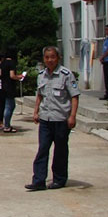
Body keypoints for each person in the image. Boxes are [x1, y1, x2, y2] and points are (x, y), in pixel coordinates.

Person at [26, 46, 80, 191]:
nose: (50, 60)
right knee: (42, 149)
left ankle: (59, 179)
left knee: (60, 151)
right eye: (47, 57)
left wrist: (72, 116)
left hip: (61, 119)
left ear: (58, 58)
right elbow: (40, 95)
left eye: (52, 57)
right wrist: (36, 112)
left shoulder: (66, 75)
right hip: (45, 119)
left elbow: (74, 96)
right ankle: (38, 180)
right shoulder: (41, 75)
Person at [0, 47, 25, 132]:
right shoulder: (12, 63)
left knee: (10, 105)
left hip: (3, 86)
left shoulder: (3, 63)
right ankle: (7, 125)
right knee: (9, 106)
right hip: (10, 87)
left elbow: (0, 73)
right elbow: (12, 75)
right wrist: (19, 77)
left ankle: (6, 124)